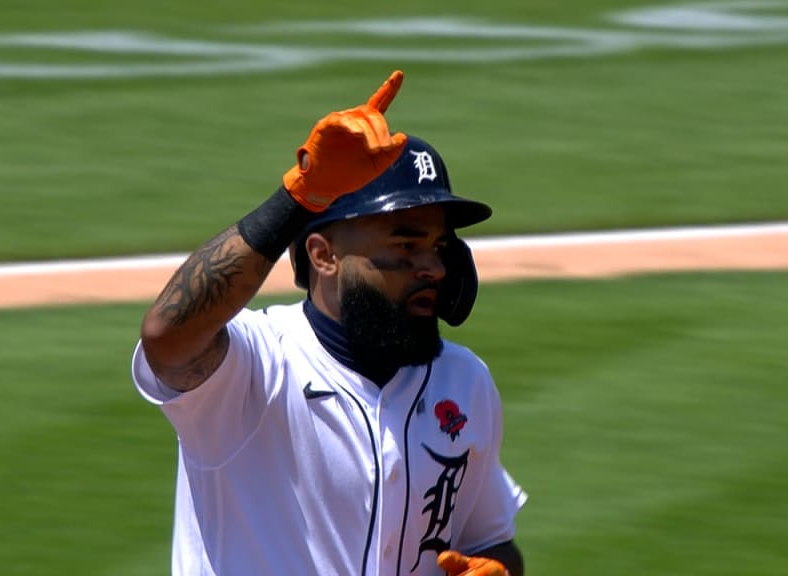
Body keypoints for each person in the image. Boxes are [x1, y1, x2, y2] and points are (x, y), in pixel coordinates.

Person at [130, 70, 526, 576]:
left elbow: (491, 542)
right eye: (406, 246)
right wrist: (300, 197)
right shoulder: (256, 368)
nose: (433, 268)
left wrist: (499, 571)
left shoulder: (464, 382)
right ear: (323, 256)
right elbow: (168, 334)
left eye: (438, 246)